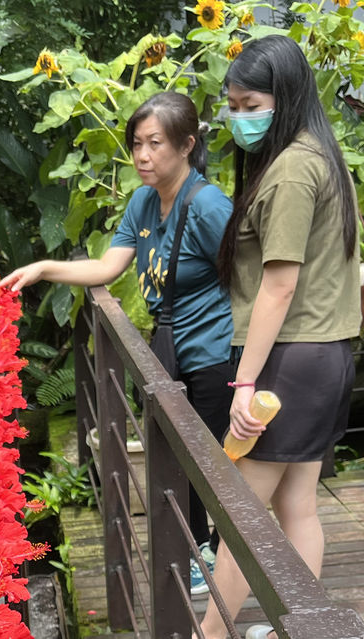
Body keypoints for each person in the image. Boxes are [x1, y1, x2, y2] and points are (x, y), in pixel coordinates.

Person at [0, 91, 234, 595]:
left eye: (155, 144)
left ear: (187, 145)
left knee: (208, 464)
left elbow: (247, 278)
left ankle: (214, 556)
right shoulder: (145, 199)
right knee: (176, 457)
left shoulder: (209, 205)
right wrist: (42, 268)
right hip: (169, 351)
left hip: (214, 354)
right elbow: (109, 266)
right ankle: (197, 552)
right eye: (136, 144)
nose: (142, 156)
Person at [197, 35, 361, 639]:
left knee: (241, 519)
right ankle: (303, 625)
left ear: (284, 97)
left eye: (250, 104)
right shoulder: (318, 152)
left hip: (290, 360)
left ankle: (208, 634)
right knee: (295, 506)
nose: (238, 118)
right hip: (323, 356)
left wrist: (243, 381)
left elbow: (279, 287)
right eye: (232, 105)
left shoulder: (293, 167)